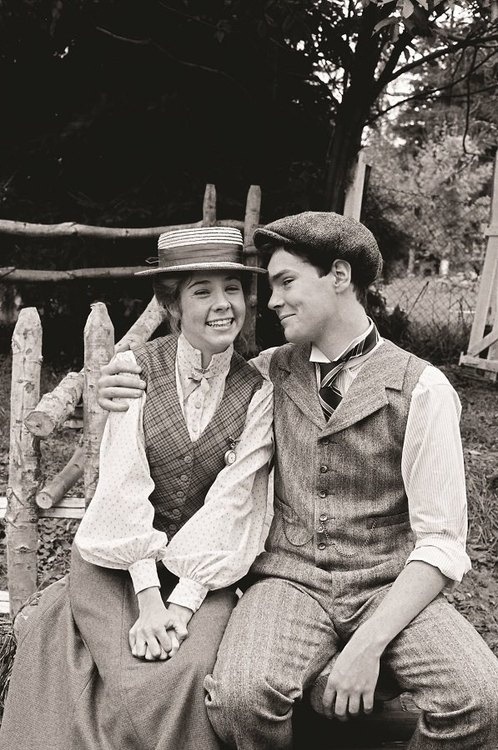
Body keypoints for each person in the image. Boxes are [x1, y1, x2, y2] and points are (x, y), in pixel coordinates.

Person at [96, 212, 498, 750]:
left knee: (480, 699)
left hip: (388, 584)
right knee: (239, 699)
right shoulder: (267, 372)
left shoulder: (424, 390)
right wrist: (119, 378)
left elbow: (442, 543)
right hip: (288, 582)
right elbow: (198, 375)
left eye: (286, 282)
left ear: (339, 276)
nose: (271, 301)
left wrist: (367, 646)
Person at [0, 226, 273, 750]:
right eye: (202, 291)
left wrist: (181, 607)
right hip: (119, 562)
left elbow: (234, 504)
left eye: (233, 289)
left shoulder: (258, 393)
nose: (223, 304)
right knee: (113, 672)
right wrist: (149, 601)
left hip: (204, 570)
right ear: (172, 307)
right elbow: (123, 486)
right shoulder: (133, 372)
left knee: (190, 669)